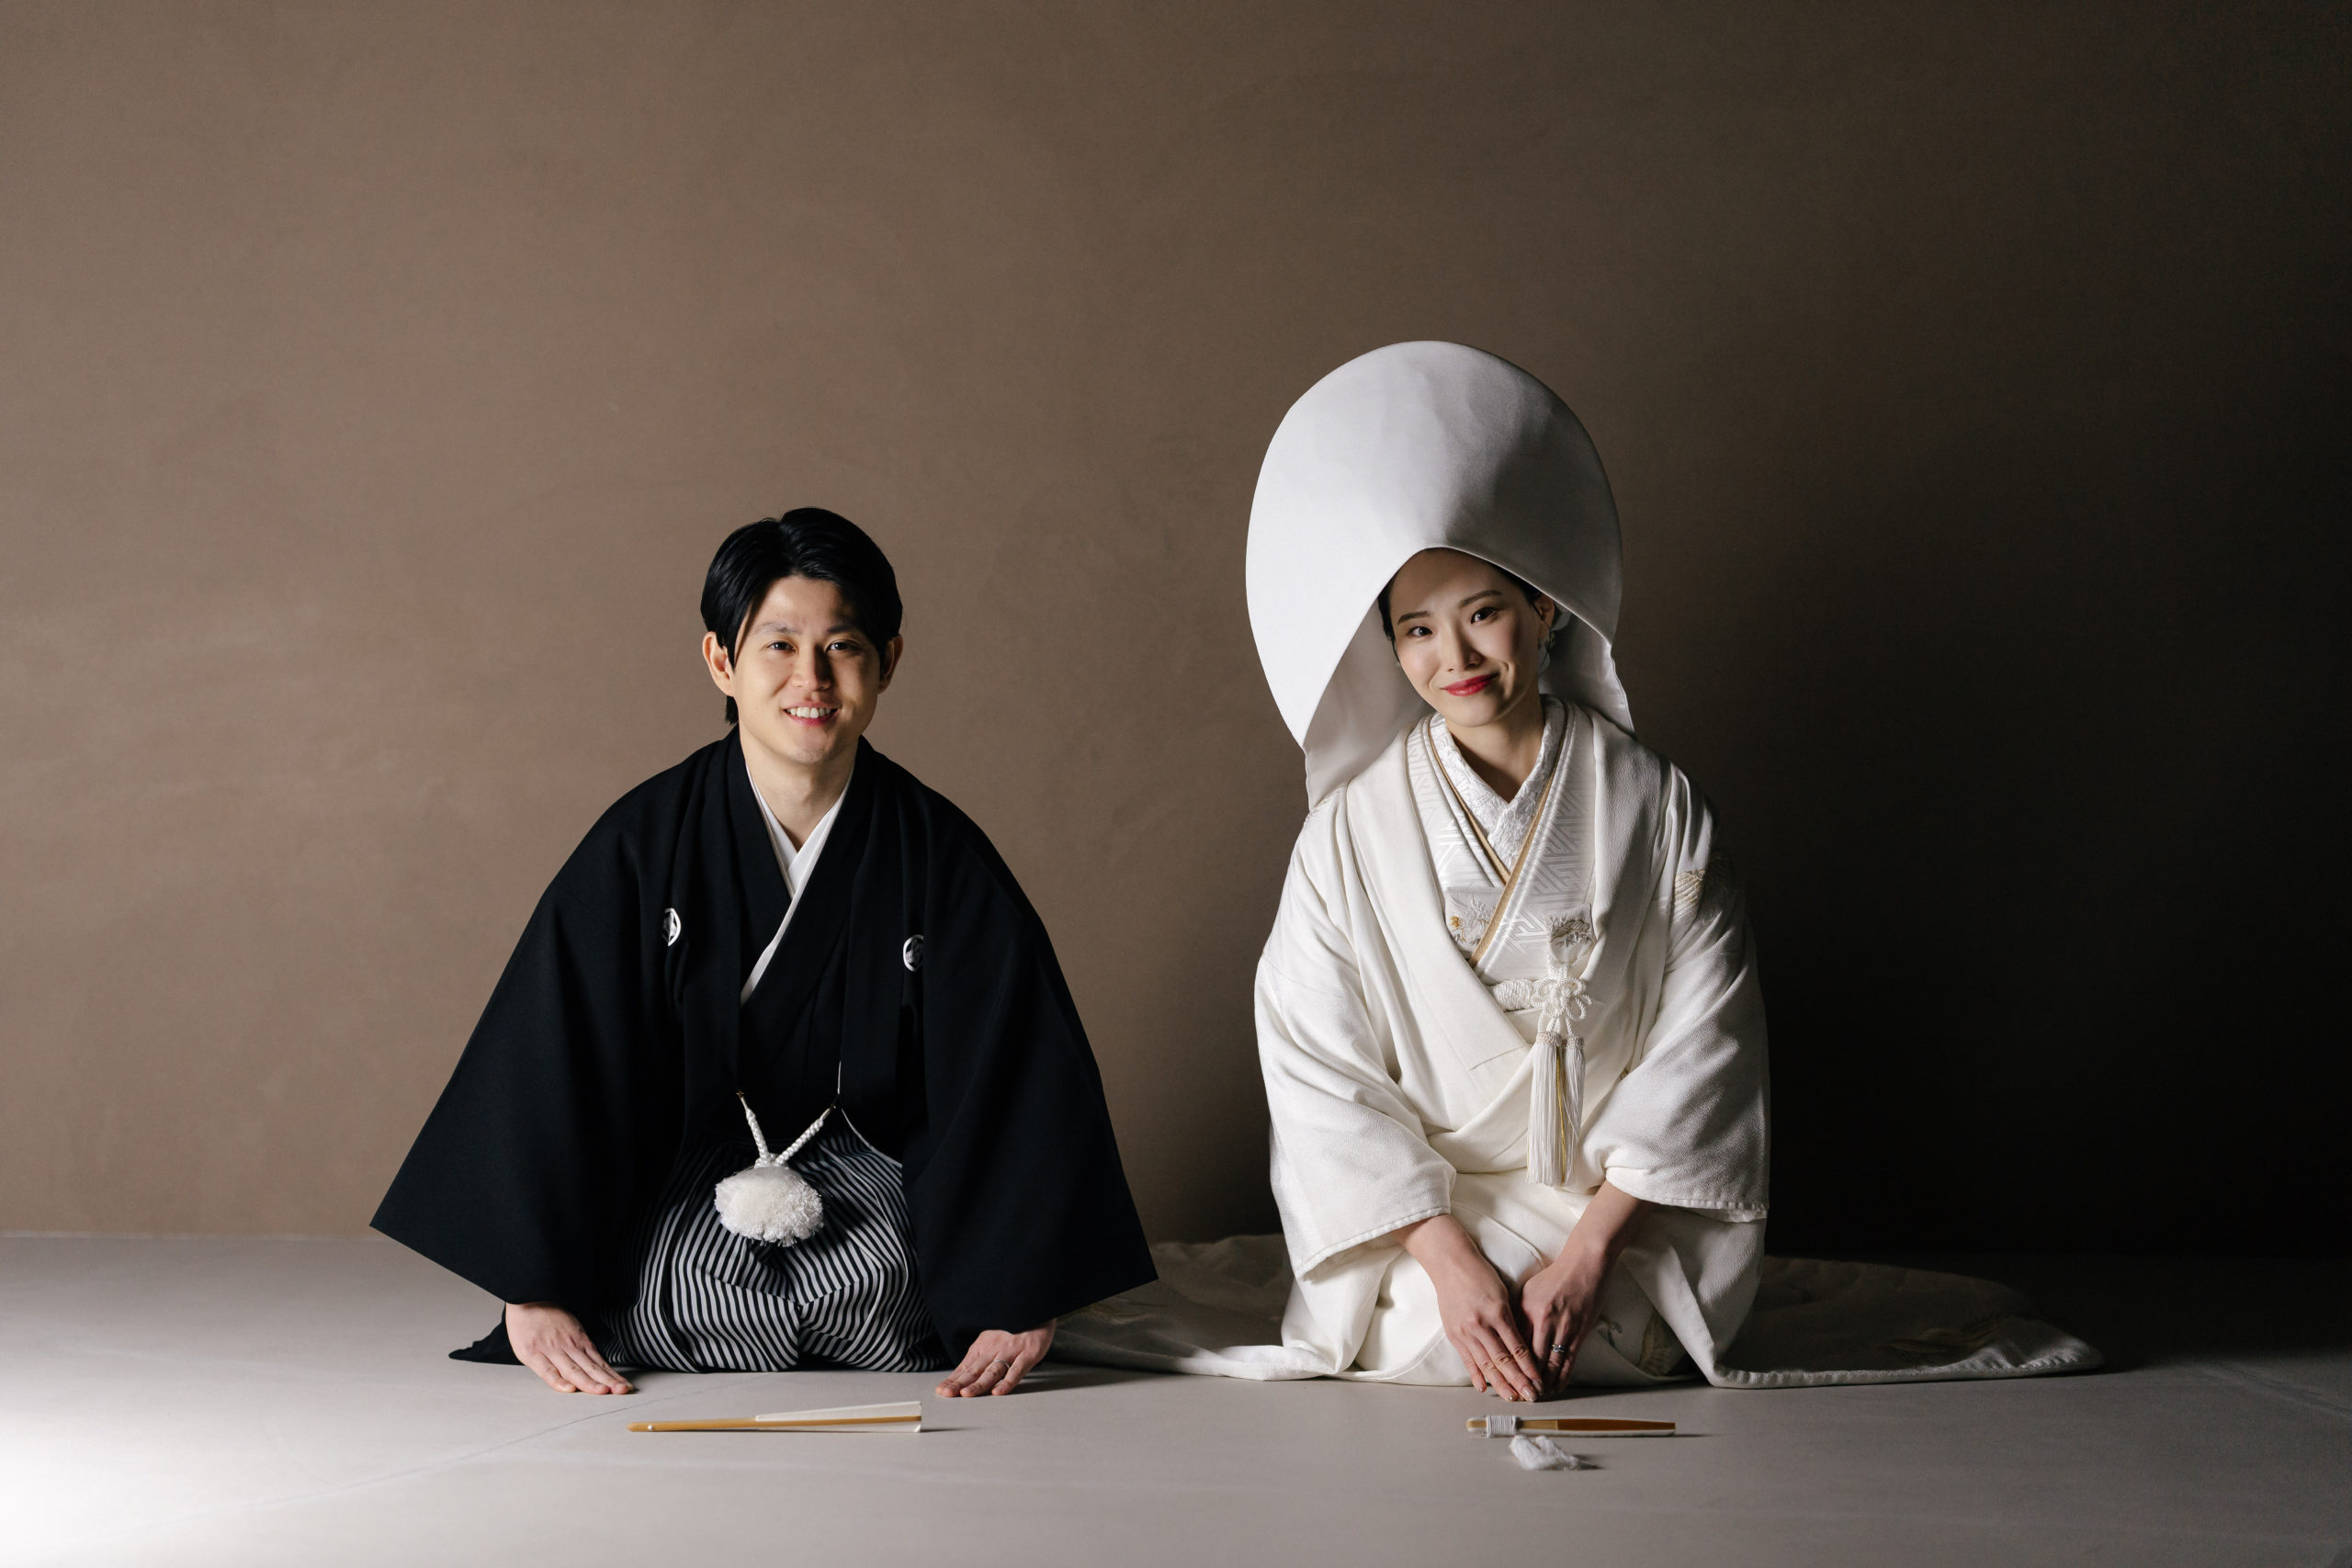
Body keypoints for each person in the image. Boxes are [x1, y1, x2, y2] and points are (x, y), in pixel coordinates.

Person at [1055, 342, 2097, 1394]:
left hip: (1614, 1214)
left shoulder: (1659, 805)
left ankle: (1574, 1275)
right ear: (1392, 650)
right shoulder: (1347, 835)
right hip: (1428, 1221)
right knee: (1449, 1326)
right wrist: (1448, 1257)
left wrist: (1593, 1247)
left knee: (1590, 1321)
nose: (1455, 659)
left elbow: (1708, 1042)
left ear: (1544, 608)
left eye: (1482, 613)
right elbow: (1317, 1060)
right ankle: (1458, 1281)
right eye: (1416, 630)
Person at [374, 509, 1155, 1398]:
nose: (810, 679)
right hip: (684, 1186)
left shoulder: (940, 855)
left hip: (873, 1187)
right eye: (777, 645)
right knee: (661, 1284)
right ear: (722, 662)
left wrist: (1020, 1287)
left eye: (842, 647)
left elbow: (1012, 1072)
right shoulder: (643, 843)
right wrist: (535, 1284)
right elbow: (553, 1052)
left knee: (880, 1286)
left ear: (889, 661)